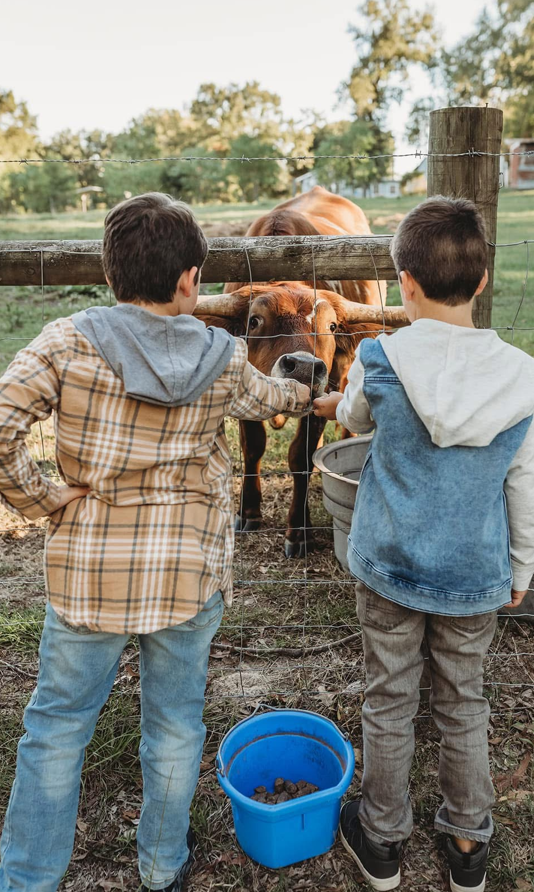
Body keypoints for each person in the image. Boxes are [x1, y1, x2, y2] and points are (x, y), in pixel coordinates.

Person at [0, 192, 311, 892]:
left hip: (88, 577)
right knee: (174, 725)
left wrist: (42, 497)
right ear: (189, 281)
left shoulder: (65, 340)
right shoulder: (224, 356)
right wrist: (308, 395)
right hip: (185, 577)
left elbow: (2, 425)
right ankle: (163, 866)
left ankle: (27, 879)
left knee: (55, 731)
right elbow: (275, 401)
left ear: (111, 277)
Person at [314, 196, 534, 892]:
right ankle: (467, 844)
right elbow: (528, 485)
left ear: (404, 283)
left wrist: (340, 399)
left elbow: (353, 415)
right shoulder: (525, 379)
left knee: (388, 697)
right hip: (473, 572)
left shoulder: (380, 356)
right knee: (463, 700)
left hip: (389, 564)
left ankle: (383, 840)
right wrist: (523, 562)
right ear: (480, 282)